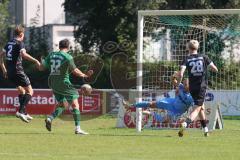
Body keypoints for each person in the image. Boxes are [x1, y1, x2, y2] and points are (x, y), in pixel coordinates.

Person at [38, 39, 93, 135]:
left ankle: (50, 118)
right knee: (75, 104)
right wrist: (85, 75)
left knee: (63, 104)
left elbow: (41, 68)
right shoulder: (67, 57)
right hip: (64, 83)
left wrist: (40, 61)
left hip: (53, 83)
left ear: (59, 46)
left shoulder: (51, 55)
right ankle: (78, 128)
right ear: (68, 47)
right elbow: (75, 71)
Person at [0, 25, 41, 123]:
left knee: (21, 91)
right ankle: (20, 112)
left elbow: (0, 56)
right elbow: (23, 54)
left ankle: (24, 112)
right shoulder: (20, 43)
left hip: (9, 72)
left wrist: (4, 69)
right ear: (21, 34)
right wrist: (35, 60)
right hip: (18, 71)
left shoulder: (8, 44)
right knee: (30, 91)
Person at [177, 40, 218, 137]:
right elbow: (215, 69)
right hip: (201, 86)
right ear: (198, 47)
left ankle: (205, 130)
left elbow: (181, 73)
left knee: (200, 107)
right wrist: (208, 68)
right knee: (197, 109)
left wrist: (178, 84)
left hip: (192, 87)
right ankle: (185, 123)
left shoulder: (186, 58)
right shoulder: (204, 57)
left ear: (188, 48)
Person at [123, 77, 194, 119]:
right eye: (183, 83)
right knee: (151, 104)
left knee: (164, 121)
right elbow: (173, 80)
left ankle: (151, 113)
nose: (183, 85)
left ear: (190, 86)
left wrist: (188, 116)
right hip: (171, 103)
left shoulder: (191, 97)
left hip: (177, 112)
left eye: (185, 84)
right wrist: (174, 76)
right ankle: (130, 106)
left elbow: (196, 108)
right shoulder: (181, 86)